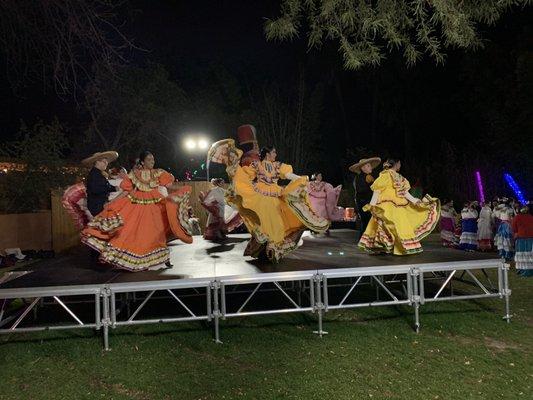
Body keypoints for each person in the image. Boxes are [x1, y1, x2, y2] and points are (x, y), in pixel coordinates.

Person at [207, 140, 329, 262]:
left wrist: (302, 179)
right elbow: (246, 175)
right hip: (260, 194)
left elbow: (287, 175)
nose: (275, 154)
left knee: (279, 219)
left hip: (276, 195)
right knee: (266, 220)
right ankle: (268, 246)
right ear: (267, 154)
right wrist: (234, 166)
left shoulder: (277, 165)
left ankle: (272, 247)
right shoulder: (257, 164)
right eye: (274, 152)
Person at [82, 151, 194, 271]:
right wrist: (112, 202)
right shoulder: (134, 174)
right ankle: (136, 258)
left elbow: (168, 186)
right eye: (149, 159)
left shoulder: (158, 173)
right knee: (135, 231)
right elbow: (126, 191)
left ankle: (163, 258)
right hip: (137, 205)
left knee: (157, 231)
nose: (152, 161)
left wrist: (182, 188)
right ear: (142, 162)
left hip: (155, 205)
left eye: (153, 159)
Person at [358, 158, 440, 255]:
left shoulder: (386, 176)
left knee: (386, 227)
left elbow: (377, 191)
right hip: (395, 207)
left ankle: (387, 247)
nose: (400, 166)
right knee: (398, 227)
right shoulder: (397, 177)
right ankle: (398, 247)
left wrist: (372, 205)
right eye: (399, 164)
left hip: (385, 207)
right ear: (397, 164)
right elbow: (403, 192)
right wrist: (414, 200)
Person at [349, 157, 381, 236]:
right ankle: (366, 240)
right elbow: (375, 189)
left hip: (359, 201)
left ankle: (363, 239)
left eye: (370, 165)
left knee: (364, 221)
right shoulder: (368, 177)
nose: (370, 167)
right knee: (368, 221)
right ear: (363, 168)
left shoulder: (356, 178)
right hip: (366, 202)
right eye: (368, 166)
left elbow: (357, 190)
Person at [82, 151, 120, 217]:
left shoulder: (98, 173)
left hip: (99, 204)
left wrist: (113, 188)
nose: (106, 163)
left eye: (107, 162)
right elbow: (96, 189)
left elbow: (103, 186)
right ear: (97, 162)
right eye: (104, 162)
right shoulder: (94, 174)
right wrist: (111, 188)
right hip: (97, 206)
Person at [512, 201, 533, 277]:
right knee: (530, 255)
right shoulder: (531, 217)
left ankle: (522, 270)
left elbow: (514, 228)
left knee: (522, 255)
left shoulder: (517, 217)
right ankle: (530, 270)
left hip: (521, 238)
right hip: (531, 238)